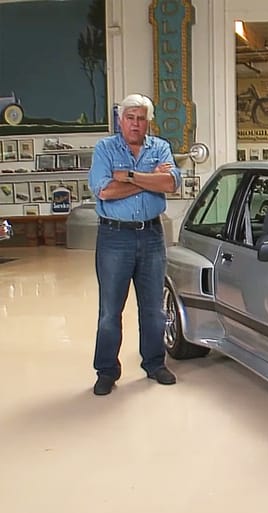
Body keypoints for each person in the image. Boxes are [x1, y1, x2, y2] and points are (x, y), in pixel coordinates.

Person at [88, 93, 181, 396]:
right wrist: (149, 179)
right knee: (110, 311)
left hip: (152, 236)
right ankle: (106, 371)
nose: (135, 124)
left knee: (153, 308)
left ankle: (154, 364)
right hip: (115, 237)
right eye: (130, 118)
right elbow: (105, 191)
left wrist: (128, 176)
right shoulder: (105, 149)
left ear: (148, 122)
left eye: (141, 118)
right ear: (120, 120)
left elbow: (170, 183)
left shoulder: (160, 147)